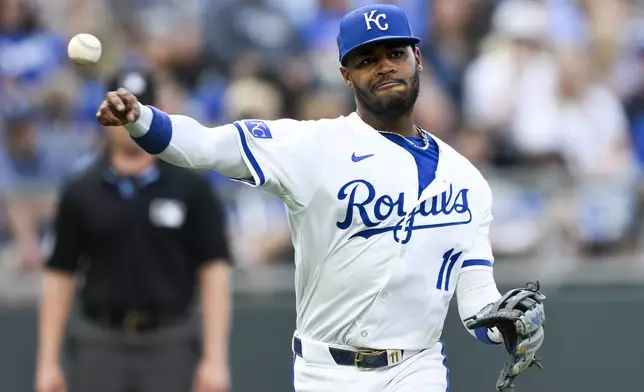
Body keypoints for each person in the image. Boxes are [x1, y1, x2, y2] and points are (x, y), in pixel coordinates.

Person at [96, 5, 546, 392]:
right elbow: (210, 146)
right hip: (326, 371)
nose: (385, 66)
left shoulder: (466, 180)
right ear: (345, 74)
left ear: (418, 58)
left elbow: (477, 303)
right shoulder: (311, 147)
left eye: (395, 53)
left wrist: (504, 327)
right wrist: (141, 120)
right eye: (367, 59)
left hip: (417, 368)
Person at [36, 70, 232, 392]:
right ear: (103, 113)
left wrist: (215, 359)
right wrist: (47, 362)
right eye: (120, 108)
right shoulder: (81, 190)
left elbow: (214, 270)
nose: (127, 120)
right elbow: (59, 273)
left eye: (135, 108)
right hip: (100, 343)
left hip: (170, 342)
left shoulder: (189, 186)